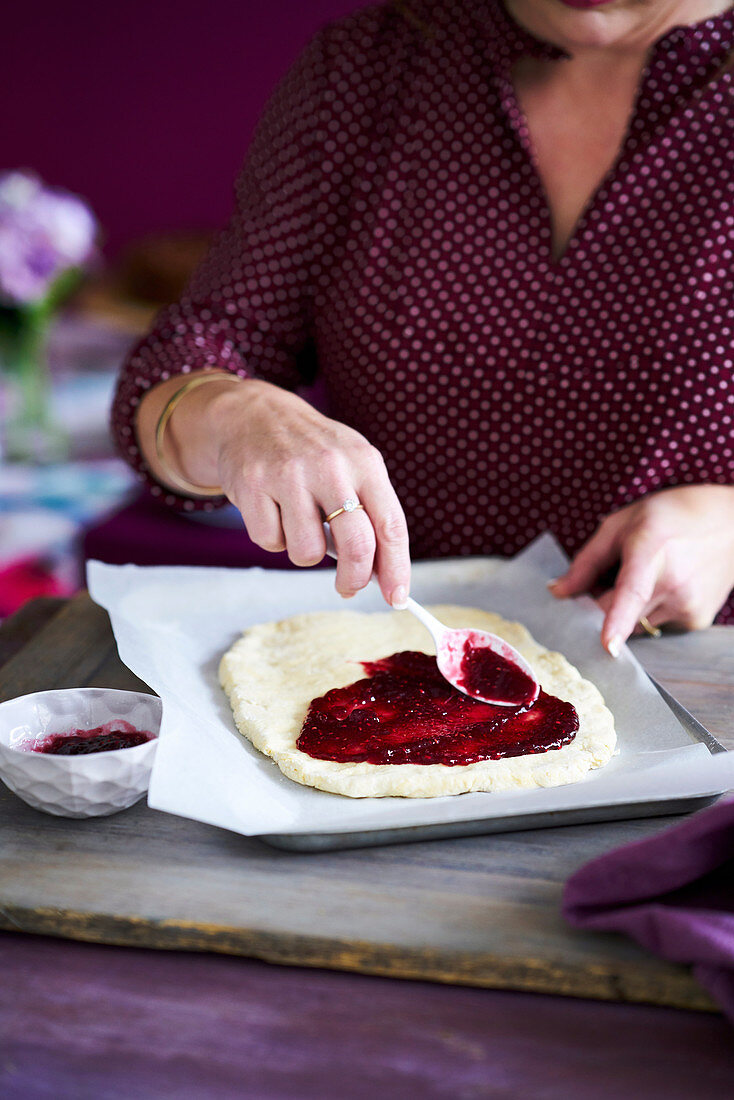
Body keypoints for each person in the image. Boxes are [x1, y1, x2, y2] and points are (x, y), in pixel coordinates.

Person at [112, 0, 734, 654]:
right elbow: (186, 360)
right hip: (399, 663)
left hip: (693, 685)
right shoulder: (366, 73)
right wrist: (231, 414)